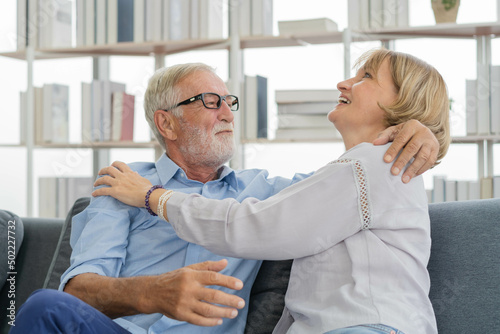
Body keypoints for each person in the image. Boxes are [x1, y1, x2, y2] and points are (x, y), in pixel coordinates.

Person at [12, 59, 440, 334]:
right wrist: (153, 293)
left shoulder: (265, 192)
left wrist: (424, 132)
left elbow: (349, 187)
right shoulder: (121, 186)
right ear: (168, 123)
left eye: (229, 101)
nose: (227, 112)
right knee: (45, 307)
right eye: (209, 101)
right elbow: (80, 293)